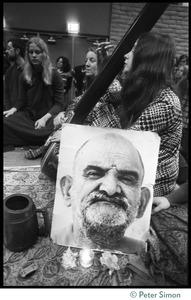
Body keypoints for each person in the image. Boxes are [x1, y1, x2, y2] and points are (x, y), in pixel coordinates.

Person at [54, 132, 151, 254]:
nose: (110, 188)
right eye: (94, 174)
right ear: (67, 191)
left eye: (127, 179)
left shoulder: (144, 254)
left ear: (142, 203)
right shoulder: (52, 243)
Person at [25, 44, 121, 158]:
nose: (87, 64)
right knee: (54, 123)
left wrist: (71, 133)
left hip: (98, 134)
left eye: (92, 60)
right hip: (80, 126)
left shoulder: (111, 86)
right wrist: (63, 113)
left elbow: (116, 93)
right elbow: (77, 107)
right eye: (86, 60)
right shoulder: (88, 84)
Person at [3, 37, 64, 150]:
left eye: (37, 52)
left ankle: (30, 137)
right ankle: (38, 138)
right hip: (29, 117)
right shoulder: (24, 75)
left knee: (59, 128)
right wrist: (13, 109)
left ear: (44, 54)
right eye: (31, 52)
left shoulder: (55, 75)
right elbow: (22, 101)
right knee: (5, 122)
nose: (34, 55)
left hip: (48, 118)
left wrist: (44, 119)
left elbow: (59, 104)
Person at [3, 38, 25, 110]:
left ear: (17, 51)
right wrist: (10, 110)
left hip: (27, 114)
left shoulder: (31, 70)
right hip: (12, 113)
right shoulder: (9, 71)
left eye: (9, 48)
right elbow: (6, 95)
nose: (6, 51)